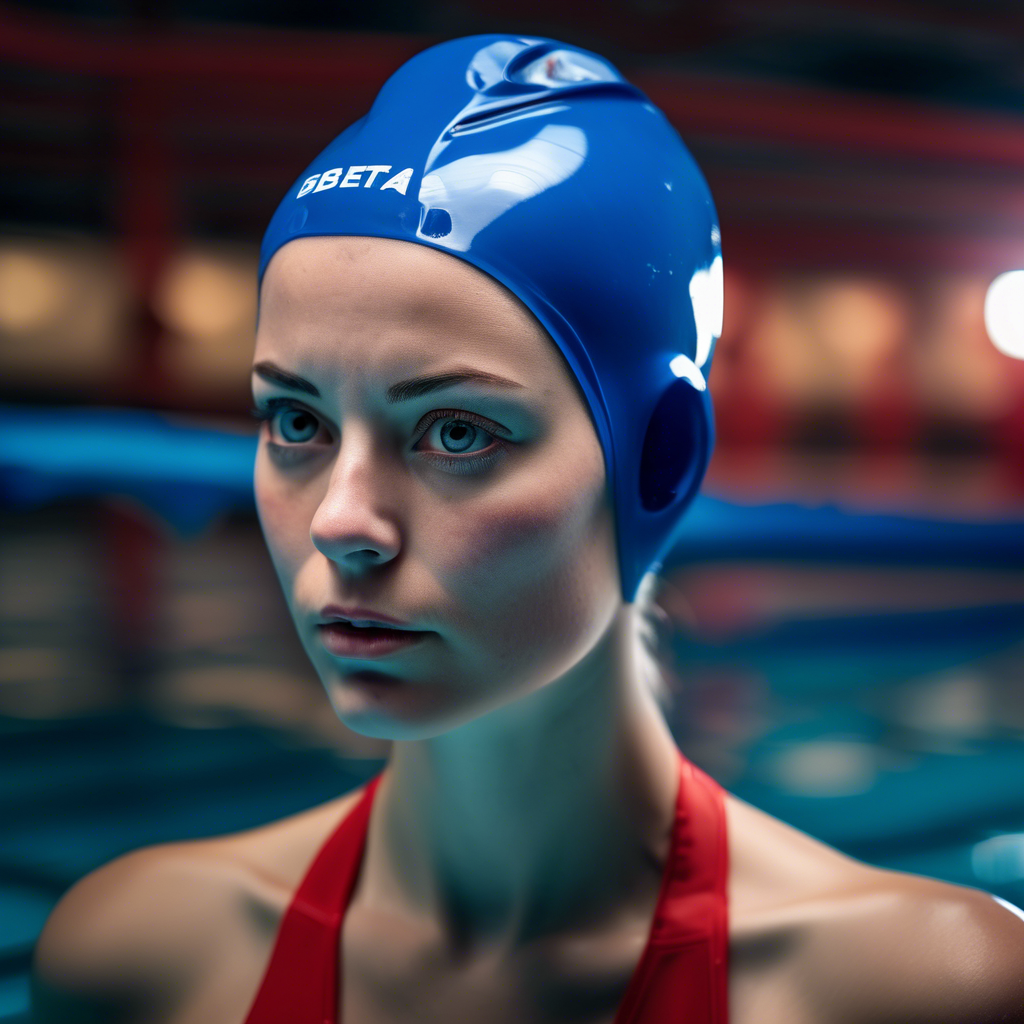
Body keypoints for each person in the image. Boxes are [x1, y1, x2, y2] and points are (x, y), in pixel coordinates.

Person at [32, 34, 1024, 1024]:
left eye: (455, 432)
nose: (342, 521)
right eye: (298, 422)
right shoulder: (143, 961)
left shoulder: (913, 988)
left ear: (659, 462)